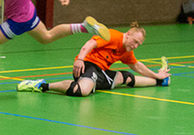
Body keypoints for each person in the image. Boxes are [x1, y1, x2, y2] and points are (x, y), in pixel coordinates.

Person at [17, 23, 169, 96]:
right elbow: (90, 44)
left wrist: (157, 75)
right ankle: (41, 85)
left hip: (100, 72)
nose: (135, 46)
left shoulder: (126, 50)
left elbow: (137, 66)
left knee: (127, 77)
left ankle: (160, 82)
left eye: (138, 45)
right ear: (128, 33)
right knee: (81, 91)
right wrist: (80, 60)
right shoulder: (112, 36)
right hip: (88, 65)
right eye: (135, 42)